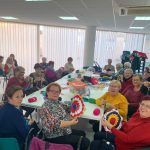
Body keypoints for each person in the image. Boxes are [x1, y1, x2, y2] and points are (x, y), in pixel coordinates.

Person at [37, 83, 90, 150]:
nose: (55, 93)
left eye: (57, 91)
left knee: (82, 133)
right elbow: (55, 124)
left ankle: (73, 147)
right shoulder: (45, 107)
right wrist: (71, 122)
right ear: (47, 92)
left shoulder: (58, 102)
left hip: (63, 130)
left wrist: (78, 105)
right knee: (85, 142)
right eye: (52, 91)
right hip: (55, 136)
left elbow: (69, 108)